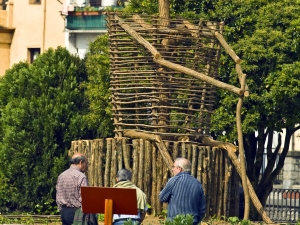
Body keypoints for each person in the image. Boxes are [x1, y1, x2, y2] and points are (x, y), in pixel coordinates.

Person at [159, 157, 206, 225]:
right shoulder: (197, 183)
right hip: (192, 222)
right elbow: (202, 209)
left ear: (179, 168)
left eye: (174, 167)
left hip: (175, 222)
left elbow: (162, 198)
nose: (172, 169)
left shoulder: (174, 180)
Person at [56, 152, 89, 225]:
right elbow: (84, 198)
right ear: (81, 162)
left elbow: (58, 196)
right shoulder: (81, 176)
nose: (86, 166)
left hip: (64, 212)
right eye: (86, 164)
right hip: (77, 213)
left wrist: (61, 210)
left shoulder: (61, 175)